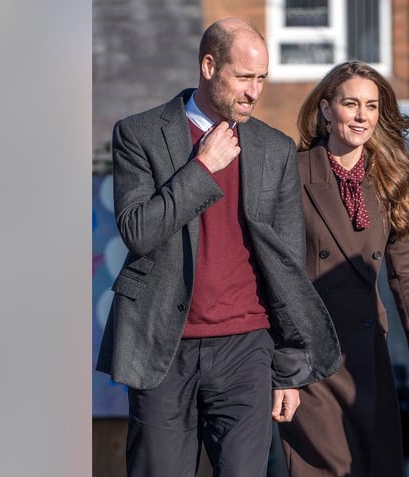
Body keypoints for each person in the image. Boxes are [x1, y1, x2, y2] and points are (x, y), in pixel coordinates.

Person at [95, 18, 341, 477]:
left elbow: (287, 266)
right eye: (244, 77)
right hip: (161, 348)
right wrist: (203, 168)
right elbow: (137, 231)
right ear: (209, 66)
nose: (254, 91)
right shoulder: (139, 134)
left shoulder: (274, 148)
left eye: (262, 78)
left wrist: (288, 367)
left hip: (246, 350)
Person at [277, 61, 409, 476]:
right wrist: (283, 367)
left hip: (368, 353)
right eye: (350, 103)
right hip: (312, 354)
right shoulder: (292, 173)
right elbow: (276, 272)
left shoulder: (392, 177)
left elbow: (405, 271)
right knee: (328, 467)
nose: (361, 115)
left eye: (371, 106)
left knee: (375, 465)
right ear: (326, 109)